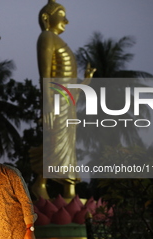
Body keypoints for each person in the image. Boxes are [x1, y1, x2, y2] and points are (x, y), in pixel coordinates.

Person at [30, 0, 96, 199]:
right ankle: (40, 183)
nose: (66, 21)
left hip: (67, 102)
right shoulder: (46, 37)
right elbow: (45, 74)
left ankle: (70, 191)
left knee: (67, 145)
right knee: (54, 140)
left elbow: (71, 87)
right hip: (56, 101)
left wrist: (87, 80)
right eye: (61, 14)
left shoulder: (58, 41)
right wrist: (48, 104)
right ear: (46, 18)